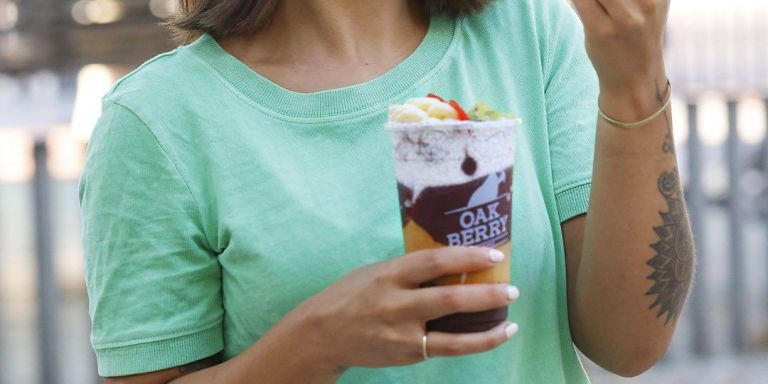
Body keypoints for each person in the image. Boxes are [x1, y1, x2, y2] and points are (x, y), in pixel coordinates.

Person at [78, 0, 694, 383]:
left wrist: (635, 83)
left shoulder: (531, 28)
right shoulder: (158, 120)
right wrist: (319, 343)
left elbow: (631, 344)